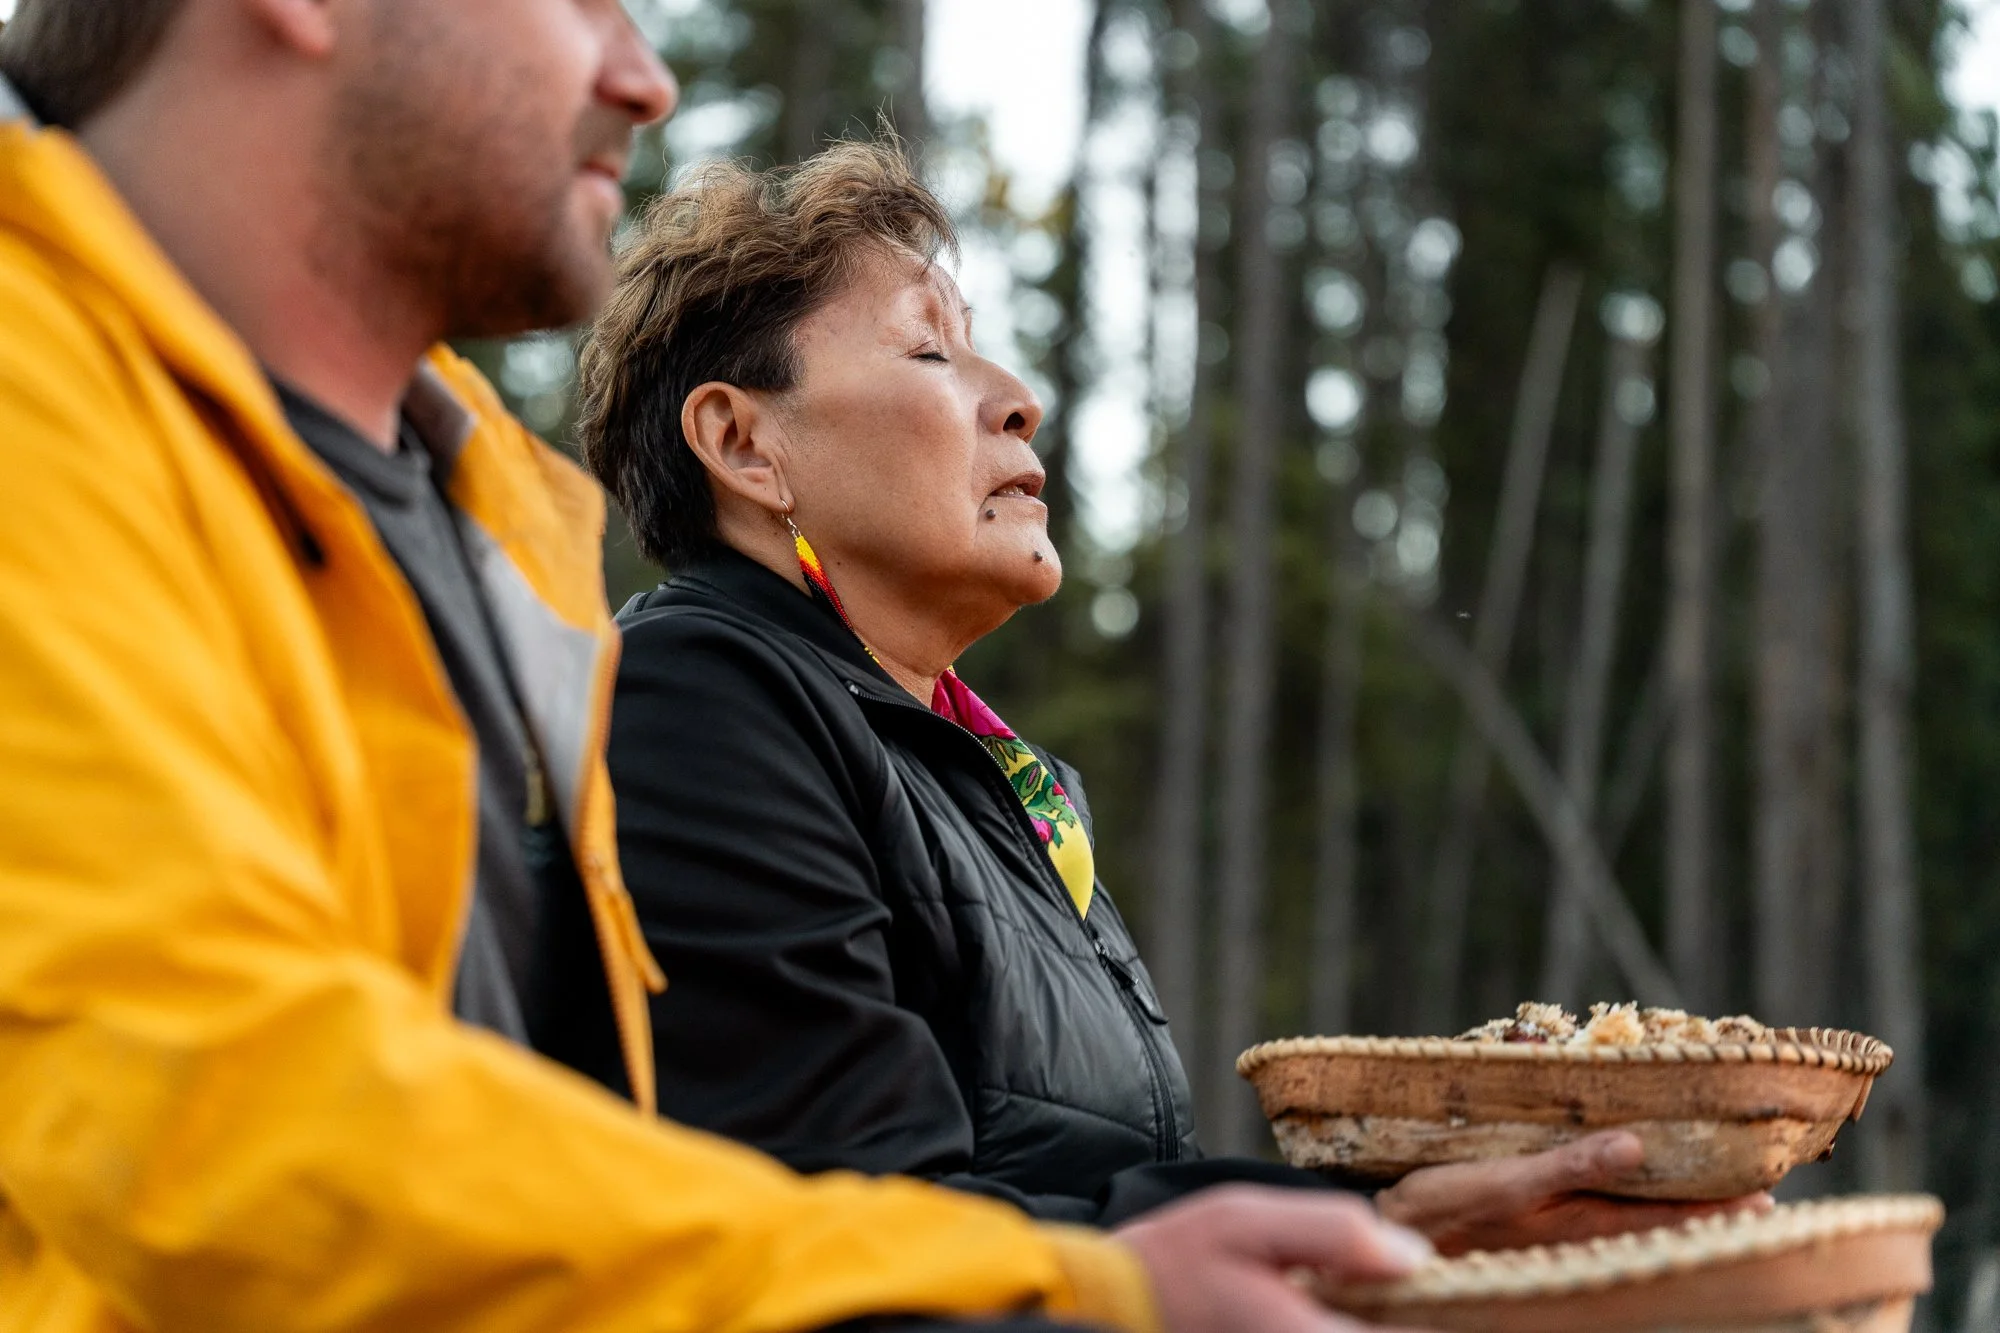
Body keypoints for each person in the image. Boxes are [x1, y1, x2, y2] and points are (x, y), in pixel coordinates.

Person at [0, 2, 1451, 1331]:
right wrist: (1087, 1290)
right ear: (743, 443)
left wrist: (1379, 1227)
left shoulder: (464, 525)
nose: (641, 72)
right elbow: (220, 1130)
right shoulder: (41, 414)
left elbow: (521, 1157)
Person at [572, 141, 1772, 1239]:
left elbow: (1070, 1197)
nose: (1013, 396)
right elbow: (849, 1216)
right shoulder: (699, 700)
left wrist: (1390, 1206)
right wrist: (1381, 1224)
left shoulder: (1016, 798)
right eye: (929, 348)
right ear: (742, 445)